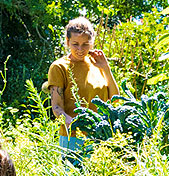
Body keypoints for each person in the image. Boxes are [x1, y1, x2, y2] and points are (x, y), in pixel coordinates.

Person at [44, 17, 120, 164]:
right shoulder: (59, 67)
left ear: (92, 42)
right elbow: (57, 107)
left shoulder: (98, 64)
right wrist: (76, 125)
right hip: (73, 139)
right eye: (75, 44)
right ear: (67, 42)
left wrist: (106, 68)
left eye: (85, 44)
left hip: (102, 137)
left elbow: (115, 99)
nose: (80, 49)